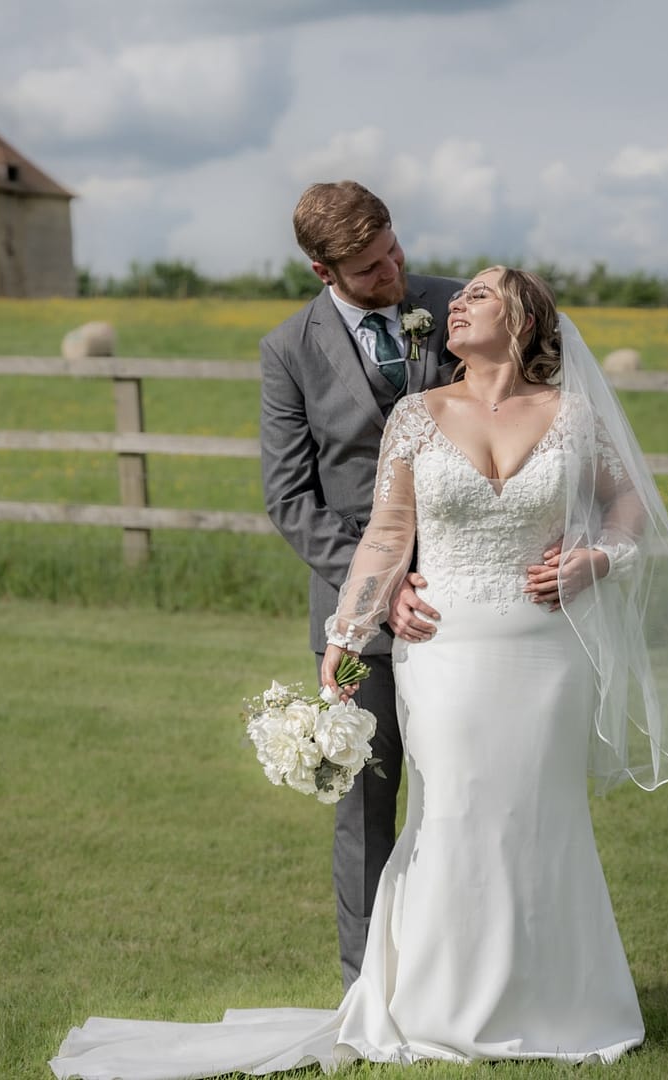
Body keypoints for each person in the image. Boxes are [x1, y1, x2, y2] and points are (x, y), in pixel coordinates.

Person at [50, 267, 668, 1077]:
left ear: (523, 319)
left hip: (546, 653)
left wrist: (599, 556)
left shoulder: (574, 417)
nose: (456, 301)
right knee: (453, 810)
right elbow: (388, 534)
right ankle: (436, 1007)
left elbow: (627, 503)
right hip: (444, 646)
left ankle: (559, 1004)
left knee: (540, 817)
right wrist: (347, 631)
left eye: (480, 294)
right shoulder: (417, 417)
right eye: (459, 297)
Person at [257, 180, 463, 990]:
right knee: (367, 814)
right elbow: (289, 498)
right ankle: (366, 992)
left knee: (464, 794)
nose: (396, 272)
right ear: (322, 270)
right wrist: (378, 590)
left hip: (465, 602)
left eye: (395, 251)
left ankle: (461, 979)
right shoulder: (287, 351)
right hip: (353, 622)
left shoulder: (458, 307)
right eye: (372, 268)